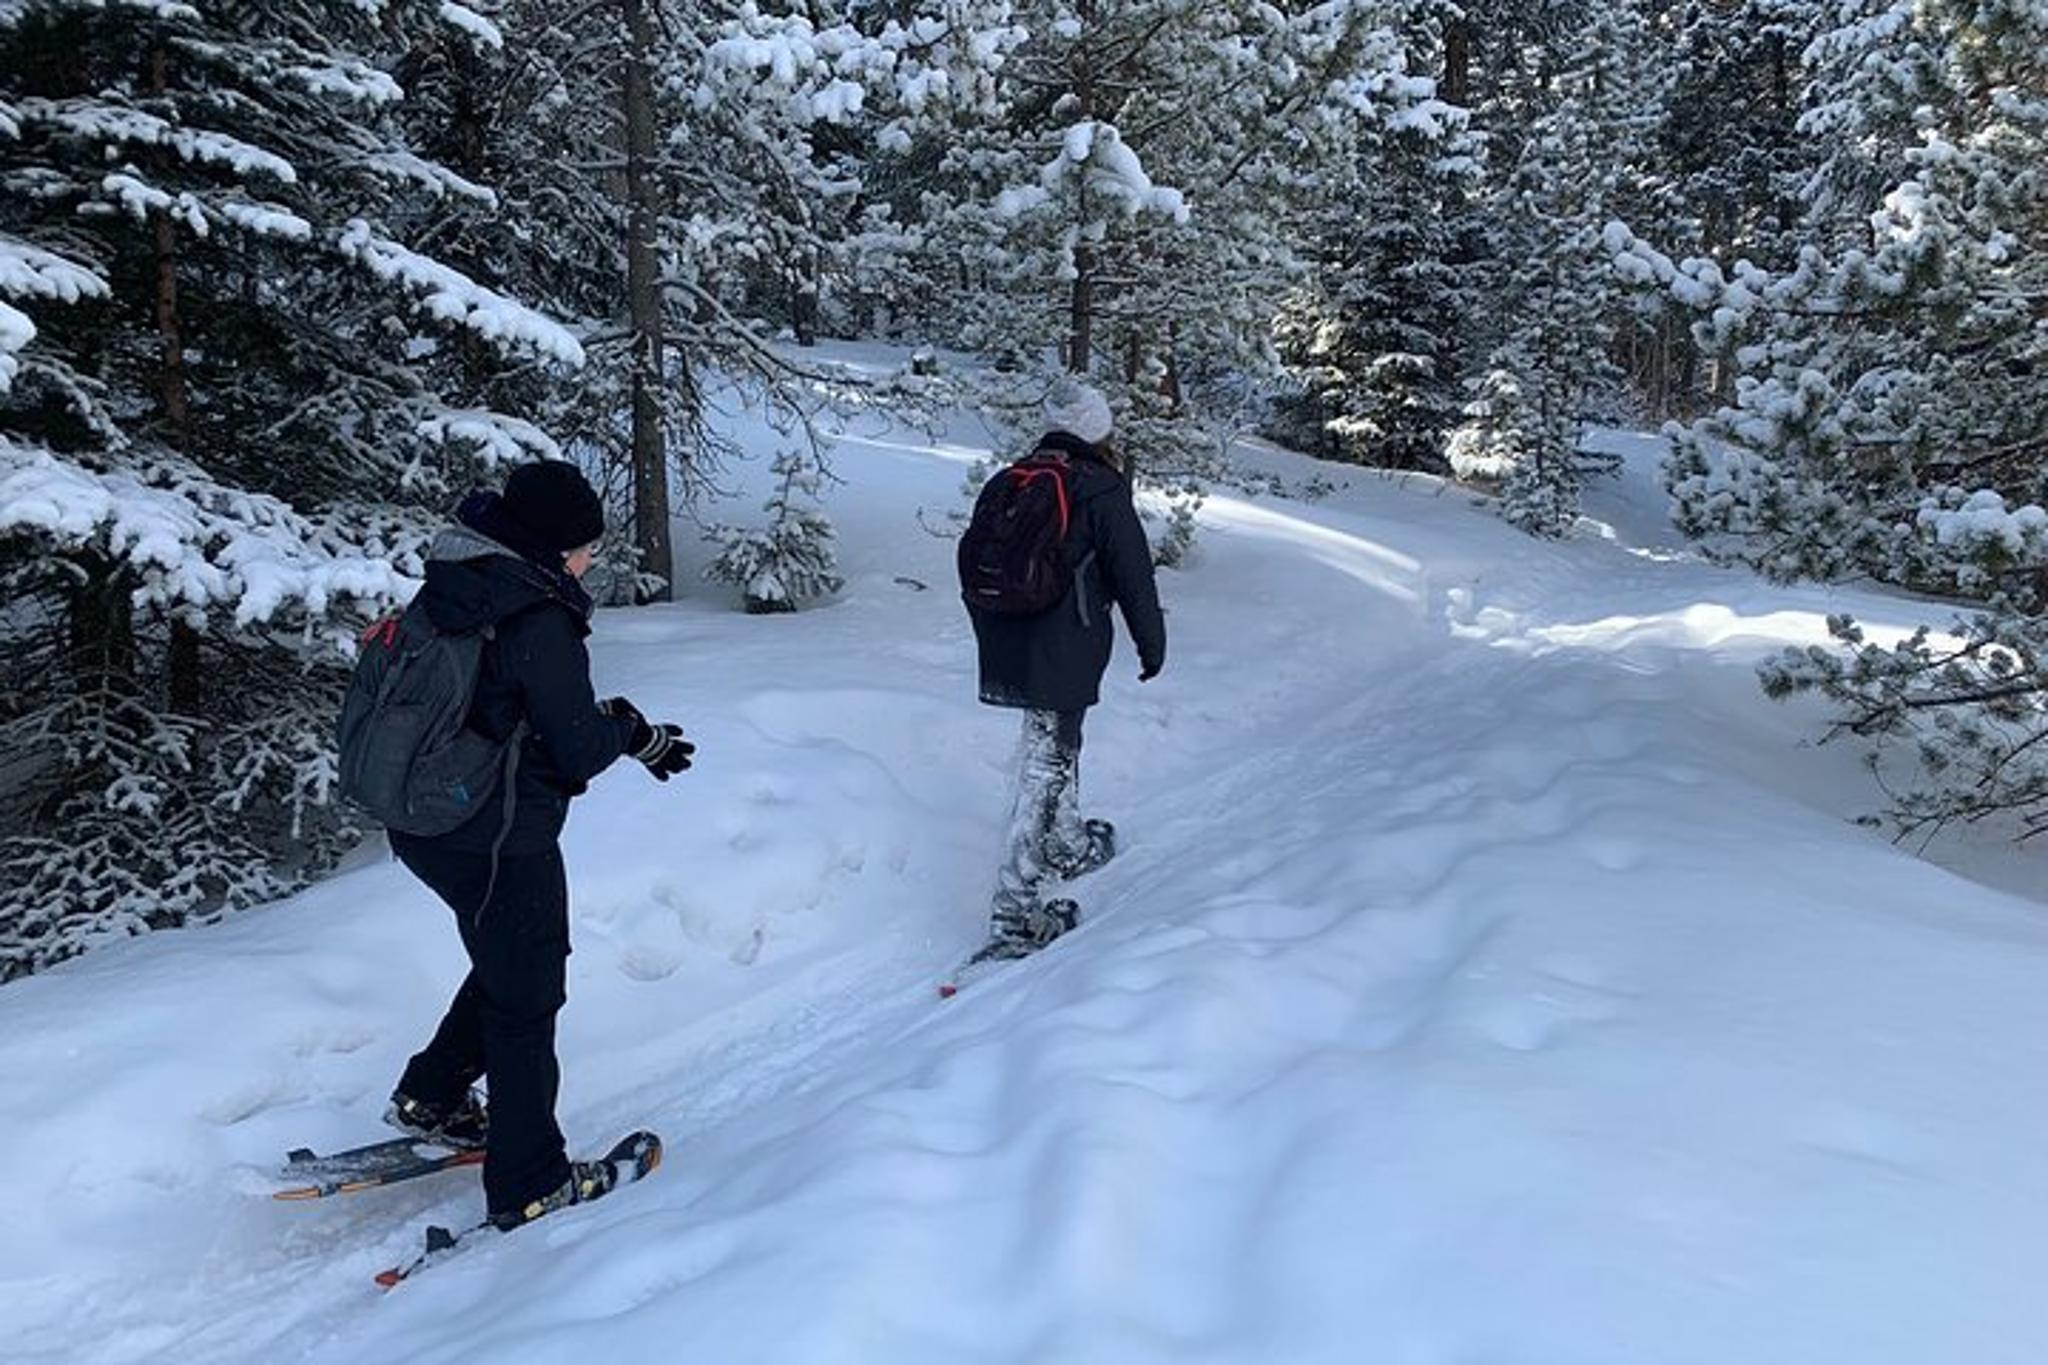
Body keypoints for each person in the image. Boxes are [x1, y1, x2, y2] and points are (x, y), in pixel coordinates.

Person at [382, 461, 692, 1230]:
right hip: (495, 832)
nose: (588, 560)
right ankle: (529, 1180)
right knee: (529, 993)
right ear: (552, 547)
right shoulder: (534, 613)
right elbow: (579, 744)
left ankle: (434, 1092)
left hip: (427, 822)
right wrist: (631, 731)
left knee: (508, 957)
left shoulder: (460, 579)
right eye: (583, 547)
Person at [965, 378, 1166, 959]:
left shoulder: (1011, 479)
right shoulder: (1099, 487)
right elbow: (1134, 577)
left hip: (1006, 638)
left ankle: (1068, 843)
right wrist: (1152, 647)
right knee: (1044, 765)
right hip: (1063, 643)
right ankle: (1013, 918)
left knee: (1055, 744)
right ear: (1096, 429)